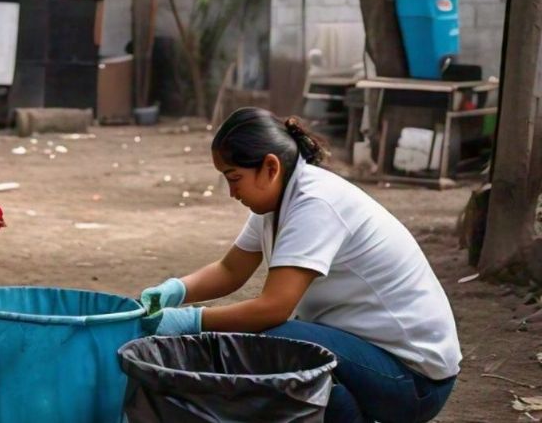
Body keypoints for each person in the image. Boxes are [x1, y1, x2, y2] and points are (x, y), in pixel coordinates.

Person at [139, 107, 460, 423]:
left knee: (277, 343)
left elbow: (273, 308)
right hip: (375, 356)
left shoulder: (315, 203)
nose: (232, 192)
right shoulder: (276, 204)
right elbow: (231, 270)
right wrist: (177, 289)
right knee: (275, 346)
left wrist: (190, 322)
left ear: (270, 167)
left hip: (416, 380)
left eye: (234, 178)